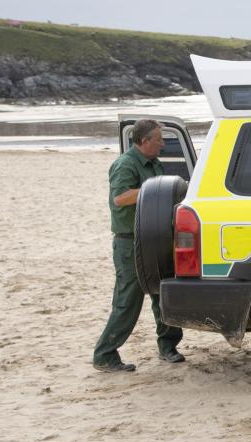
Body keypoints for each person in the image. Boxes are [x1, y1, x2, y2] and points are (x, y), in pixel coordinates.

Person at [93, 119, 185, 372]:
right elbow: (120, 198)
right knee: (128, 300)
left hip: (154, 238)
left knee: (162, 293)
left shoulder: (154, 163)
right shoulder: (125, 164)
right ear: (144, 141)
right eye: (159, 139)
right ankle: (105, 354)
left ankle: (168, 346)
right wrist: (152, 189)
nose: (163, 144)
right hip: (130, 243)